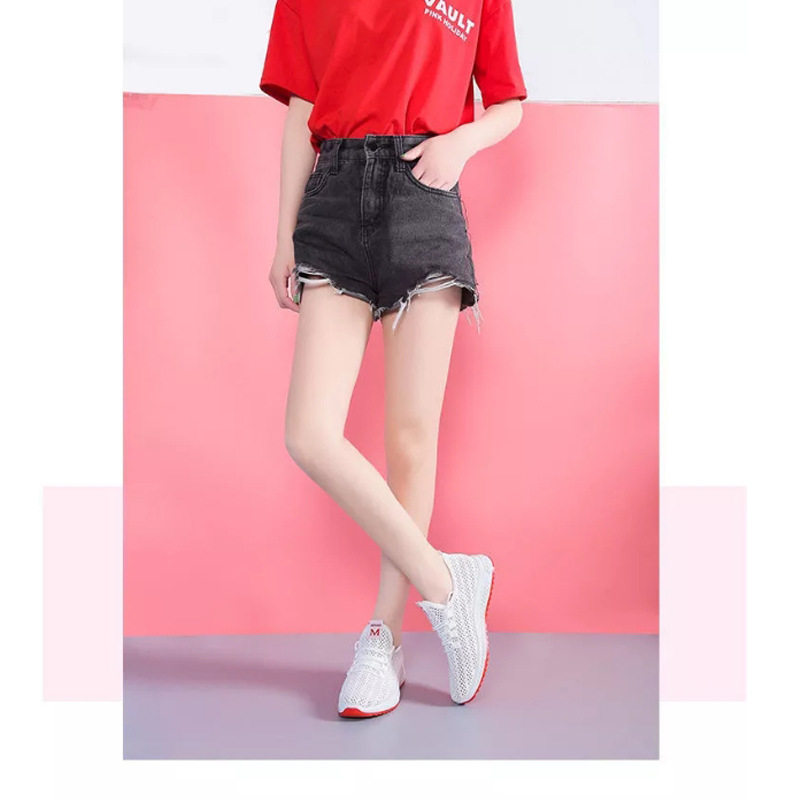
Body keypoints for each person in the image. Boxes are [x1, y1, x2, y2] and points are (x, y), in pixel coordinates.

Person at [258, 0, 527, 718]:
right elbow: (302, 107)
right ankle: (448, 584)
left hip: (423, 194)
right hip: (333, 197)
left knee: (410, 438)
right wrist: (283, 237)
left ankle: (385, 639)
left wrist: (461, 143)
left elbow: (508, 103)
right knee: (309, 433)